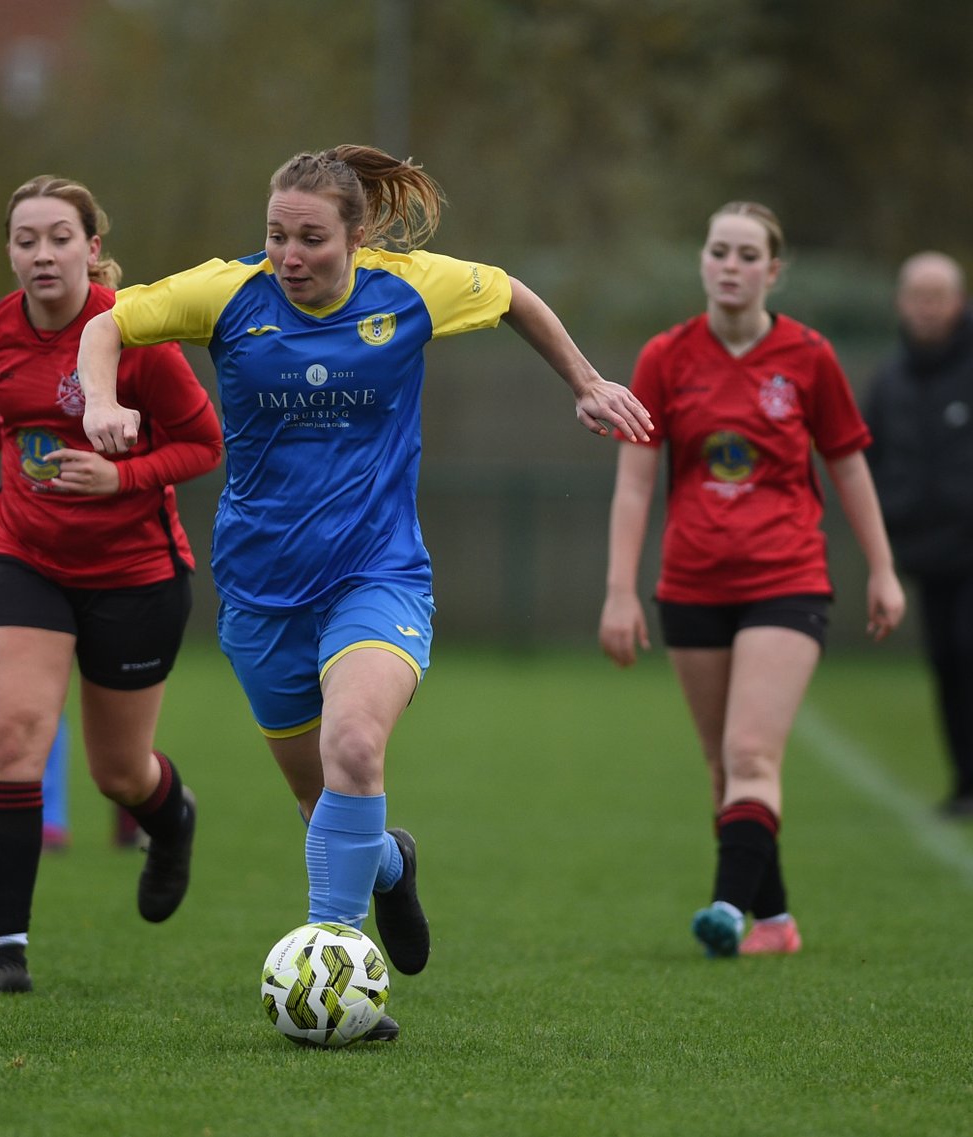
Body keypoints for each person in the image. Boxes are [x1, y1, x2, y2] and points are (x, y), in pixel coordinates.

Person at [76, 144, 653, 1041]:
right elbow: (108, 321)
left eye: (310, 238)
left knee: (354, 746)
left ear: (356, 238)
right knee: (325, 807)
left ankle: (335, 961)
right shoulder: (230, 293)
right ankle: (388, 866)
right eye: (276, 235)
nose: (289, 255)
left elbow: (512, 296)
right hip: (262, 595)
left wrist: (587, 381)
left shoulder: (411, 288)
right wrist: (98, 402)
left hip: (376, 575)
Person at [0, 175, 223, 995]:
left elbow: (205, 444)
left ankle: (174, 818)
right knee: (14, 736)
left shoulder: (138, 339)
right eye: (26, 239)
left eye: (60, 236)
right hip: (26, 560)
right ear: (10, 252)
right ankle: (6, 953)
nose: (42, 253)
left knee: (119, 774)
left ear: (93, 248)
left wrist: (120, 480)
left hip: (136, 574)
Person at [598, 201, 906, 958]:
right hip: (691, 583)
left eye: (746, 255)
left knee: (750, 755)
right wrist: (618, 589)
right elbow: (636, 483)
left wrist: (884, 570)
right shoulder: (665, 357)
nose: (730, 266)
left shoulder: (809, 356)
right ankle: (774, 921)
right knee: (722, 768)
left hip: (787, 578)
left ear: (773, 269)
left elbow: (848, 463)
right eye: (718, 252)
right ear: (702, 261)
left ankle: (728, 911)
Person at [0, 422, 145, 852]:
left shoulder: (131, 356)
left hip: (122, 557)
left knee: (119, 701)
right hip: (34, 560)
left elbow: (189, 444)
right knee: (31, 699)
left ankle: (137, 797)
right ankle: (46, 818)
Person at [866, 252, 973, 817]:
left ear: (959, 301)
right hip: (927, 553)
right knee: (948, 664)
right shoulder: (889, 381)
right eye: (918, 296)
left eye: (939, 296)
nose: (928, 308)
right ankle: (964, 782)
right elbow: (867, 461)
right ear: (901, 304)